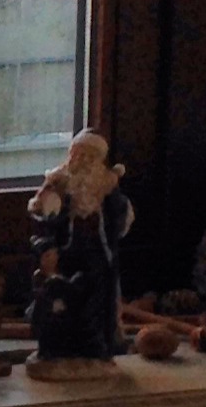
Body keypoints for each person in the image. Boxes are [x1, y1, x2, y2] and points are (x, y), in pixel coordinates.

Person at [28, 130, 133, 363]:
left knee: (98, 304)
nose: (83, 161)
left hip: (98, 257)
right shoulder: (59, 184)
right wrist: (46, 247)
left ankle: (97, 347)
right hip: (66, 256)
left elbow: (120, 221)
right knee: (62, 302)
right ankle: (61, 346)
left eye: (90, 156)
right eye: (79, 154)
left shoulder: (106, 187)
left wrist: (113, 193)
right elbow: (43, 220)